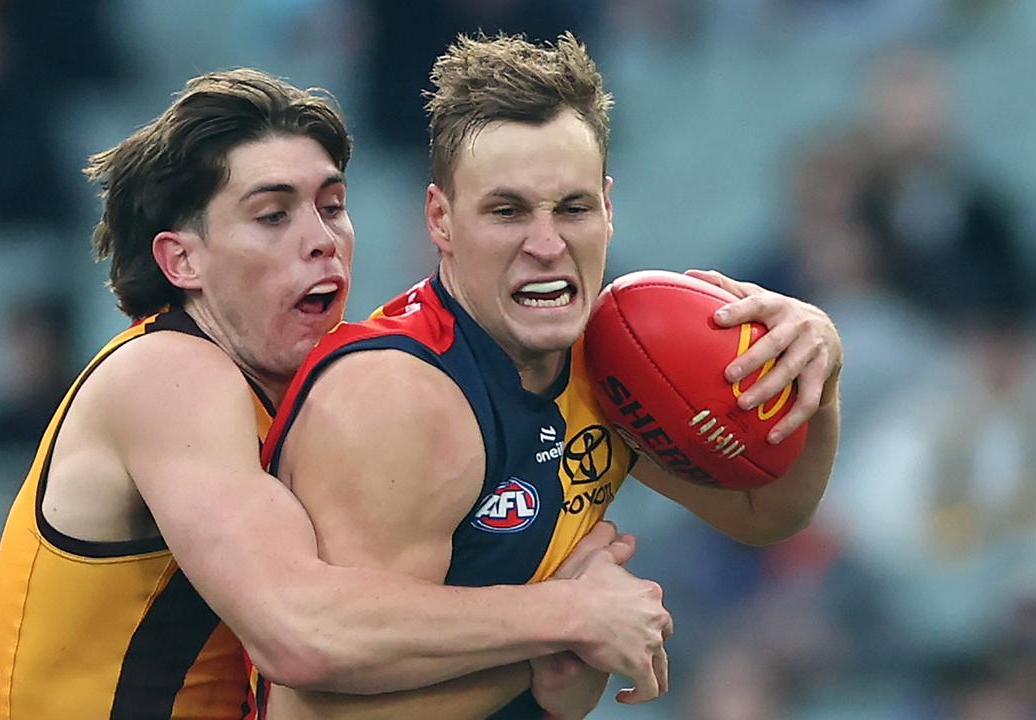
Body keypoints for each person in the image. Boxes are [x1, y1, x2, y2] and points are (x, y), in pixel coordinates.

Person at [0, 68, 672, 720]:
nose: (323, 240)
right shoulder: (166, 375)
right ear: (181, 260)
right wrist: (570, 617)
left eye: (333, 206)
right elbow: (298, 630)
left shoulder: (339, 387)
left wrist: (774, 328)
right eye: (272, 215)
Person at [257, 32, 843, 719]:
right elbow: (313, 709)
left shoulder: (617, 356)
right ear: (441, 220)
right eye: (507, 212)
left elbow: (764, 514)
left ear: (608, 208)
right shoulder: (399, 398)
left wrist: (818, 379)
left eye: (572, 208)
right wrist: (559, 638)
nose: (546, 244)